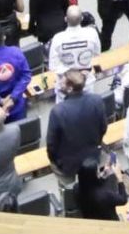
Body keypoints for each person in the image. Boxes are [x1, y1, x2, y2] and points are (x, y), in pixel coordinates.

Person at [45, 69, 114, 218]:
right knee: (92, 185)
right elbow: (103, 127)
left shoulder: (58, 111)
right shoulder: (97, 100)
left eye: (63, 80)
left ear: (70, 87)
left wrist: (55, 161)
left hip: (67, 164)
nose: (60, 82)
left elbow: (51, 144)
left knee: (67, 191)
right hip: (92, 157)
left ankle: (70, 210)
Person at [49, 8, 102, 80]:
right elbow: (97, 55)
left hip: (65, 83)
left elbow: (53, 66)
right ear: (82, 18)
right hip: (87, 80)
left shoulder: (57, 38)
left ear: (65, 19)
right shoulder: (92, 33)